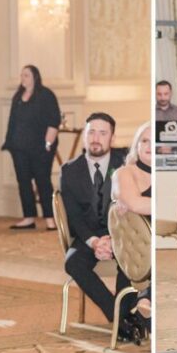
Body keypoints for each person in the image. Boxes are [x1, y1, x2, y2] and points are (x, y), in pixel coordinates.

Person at [59, 113, 136, 340]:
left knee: (131, 261)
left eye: (102, 133)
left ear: (112, 137)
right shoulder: (70, 171)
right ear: (84, 136)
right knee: (72, 262)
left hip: (121, 233)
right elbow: (73, 216)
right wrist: (94, 242)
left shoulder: (126, 164)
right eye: (91, 132)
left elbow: (133, 207)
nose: (96, 138)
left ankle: (122, 318)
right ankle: (119, 317)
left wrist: (115, 238)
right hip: (87, 236)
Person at [2, 65, 61, 231]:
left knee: (43, 182)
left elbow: (53, 121)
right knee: (23, 182)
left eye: (26, 75)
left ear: (35, 76)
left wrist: (48, 144)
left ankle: (50, 218)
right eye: (21, 75)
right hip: (19, 147)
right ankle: (29, 217)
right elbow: (13, 121)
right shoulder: (18, 96)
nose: (23, 78)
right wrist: (10, 142)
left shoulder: (46, 95)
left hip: (41, 148)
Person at [112, 122, 152, 339]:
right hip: (134, 249)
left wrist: (141, 202)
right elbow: (136, 205)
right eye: (144, 140)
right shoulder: (124, 172)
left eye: (154, 141)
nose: (148, 146)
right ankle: (145, 300)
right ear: (136, 145)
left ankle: (146, 298)